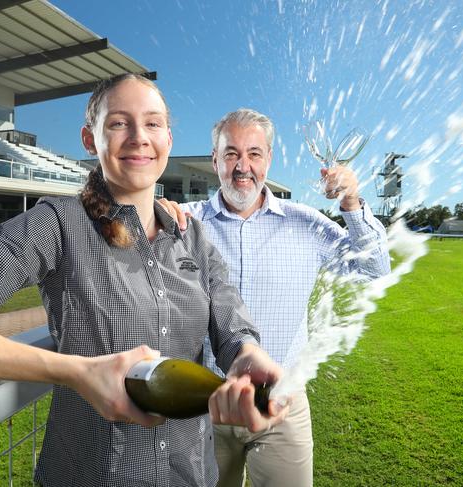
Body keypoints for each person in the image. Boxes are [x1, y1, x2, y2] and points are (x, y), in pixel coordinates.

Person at [0, 78, 289, 487]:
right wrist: (76, 372)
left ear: (169, 140)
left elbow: (232, 328)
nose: (139, 137)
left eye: (153, 123)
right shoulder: (58, 224)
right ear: (90, 140)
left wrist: (247, 355)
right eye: (118, 123)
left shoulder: (194, 238)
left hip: (194, 475)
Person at [160, 108, 390, 486]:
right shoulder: (183, 221)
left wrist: (351, 200)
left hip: (283, 404)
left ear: (269, 159)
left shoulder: (307, 224)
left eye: (254, 153)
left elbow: (374, 268)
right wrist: (152, 209)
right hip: (202, 407)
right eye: (231, 153)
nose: (242, 166)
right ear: (214, 160)